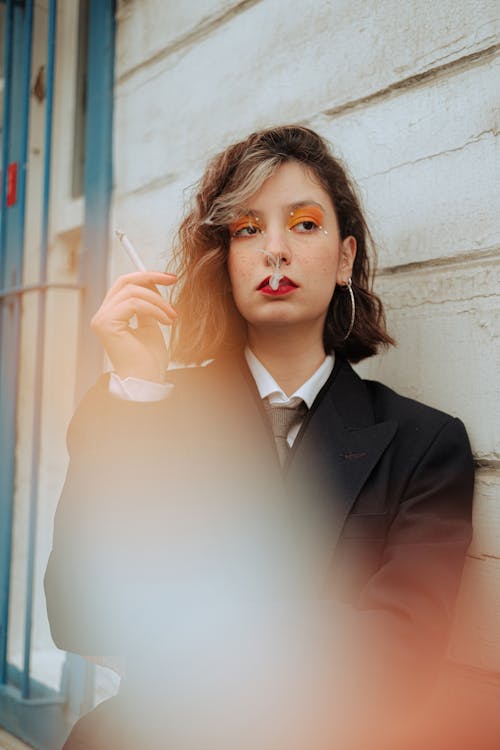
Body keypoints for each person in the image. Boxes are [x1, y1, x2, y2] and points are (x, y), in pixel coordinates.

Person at [45, 126, 474, 749]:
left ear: (346, 256)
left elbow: (398, 663)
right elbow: (80, 612)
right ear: (226, 257)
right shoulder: (143, 409)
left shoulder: (425, 444)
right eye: (248, 229)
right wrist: (138, 388)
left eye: (304, 224)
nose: (275, 249)